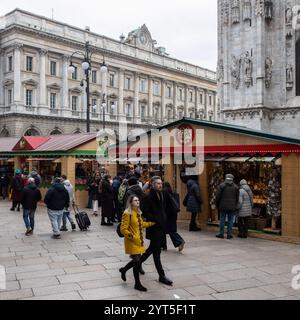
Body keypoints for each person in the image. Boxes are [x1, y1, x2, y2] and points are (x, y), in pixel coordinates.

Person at [140, 176, 173, 286]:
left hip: (161, 226)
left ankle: (136, 264)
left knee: (151, 250)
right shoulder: (148, 196)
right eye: (158, 183)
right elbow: (145, 212)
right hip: (154, 227)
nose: (160, 185)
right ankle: (161, 275)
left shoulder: (162, 194)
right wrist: (156, 220)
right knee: (156, 252)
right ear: (153, 184)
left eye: (161, 183)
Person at [119, 195, 155, 292]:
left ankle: (124, 270)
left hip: (139, 241)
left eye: (138, 200)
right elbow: (123, 229)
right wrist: (132, 237)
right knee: (137, 263)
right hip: (132, 242)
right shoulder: (127, 213)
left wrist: (151, 223)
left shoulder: (138, 212)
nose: (137, 201)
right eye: (135, 200)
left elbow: (141, 224)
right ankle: (137, 284)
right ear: (130, 202)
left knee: (136, 261)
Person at [216, 174, 239, 240]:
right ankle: (229, 235)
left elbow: (218, 196)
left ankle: (221, 234)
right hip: (232, 206)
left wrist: (217, 204)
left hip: (223, 206)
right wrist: (235, 205)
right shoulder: (236, 187)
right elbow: (237, 198)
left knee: (222, 220)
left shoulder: (221, 186)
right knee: (230, 220)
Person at [163, 182, 185, 252]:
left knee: (168, 230)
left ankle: (179, 240)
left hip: (167, 214)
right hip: (173, 214)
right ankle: (164, 246)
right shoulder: (172, 193)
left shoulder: (164, 192)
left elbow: (164, 205)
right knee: (168, 230)